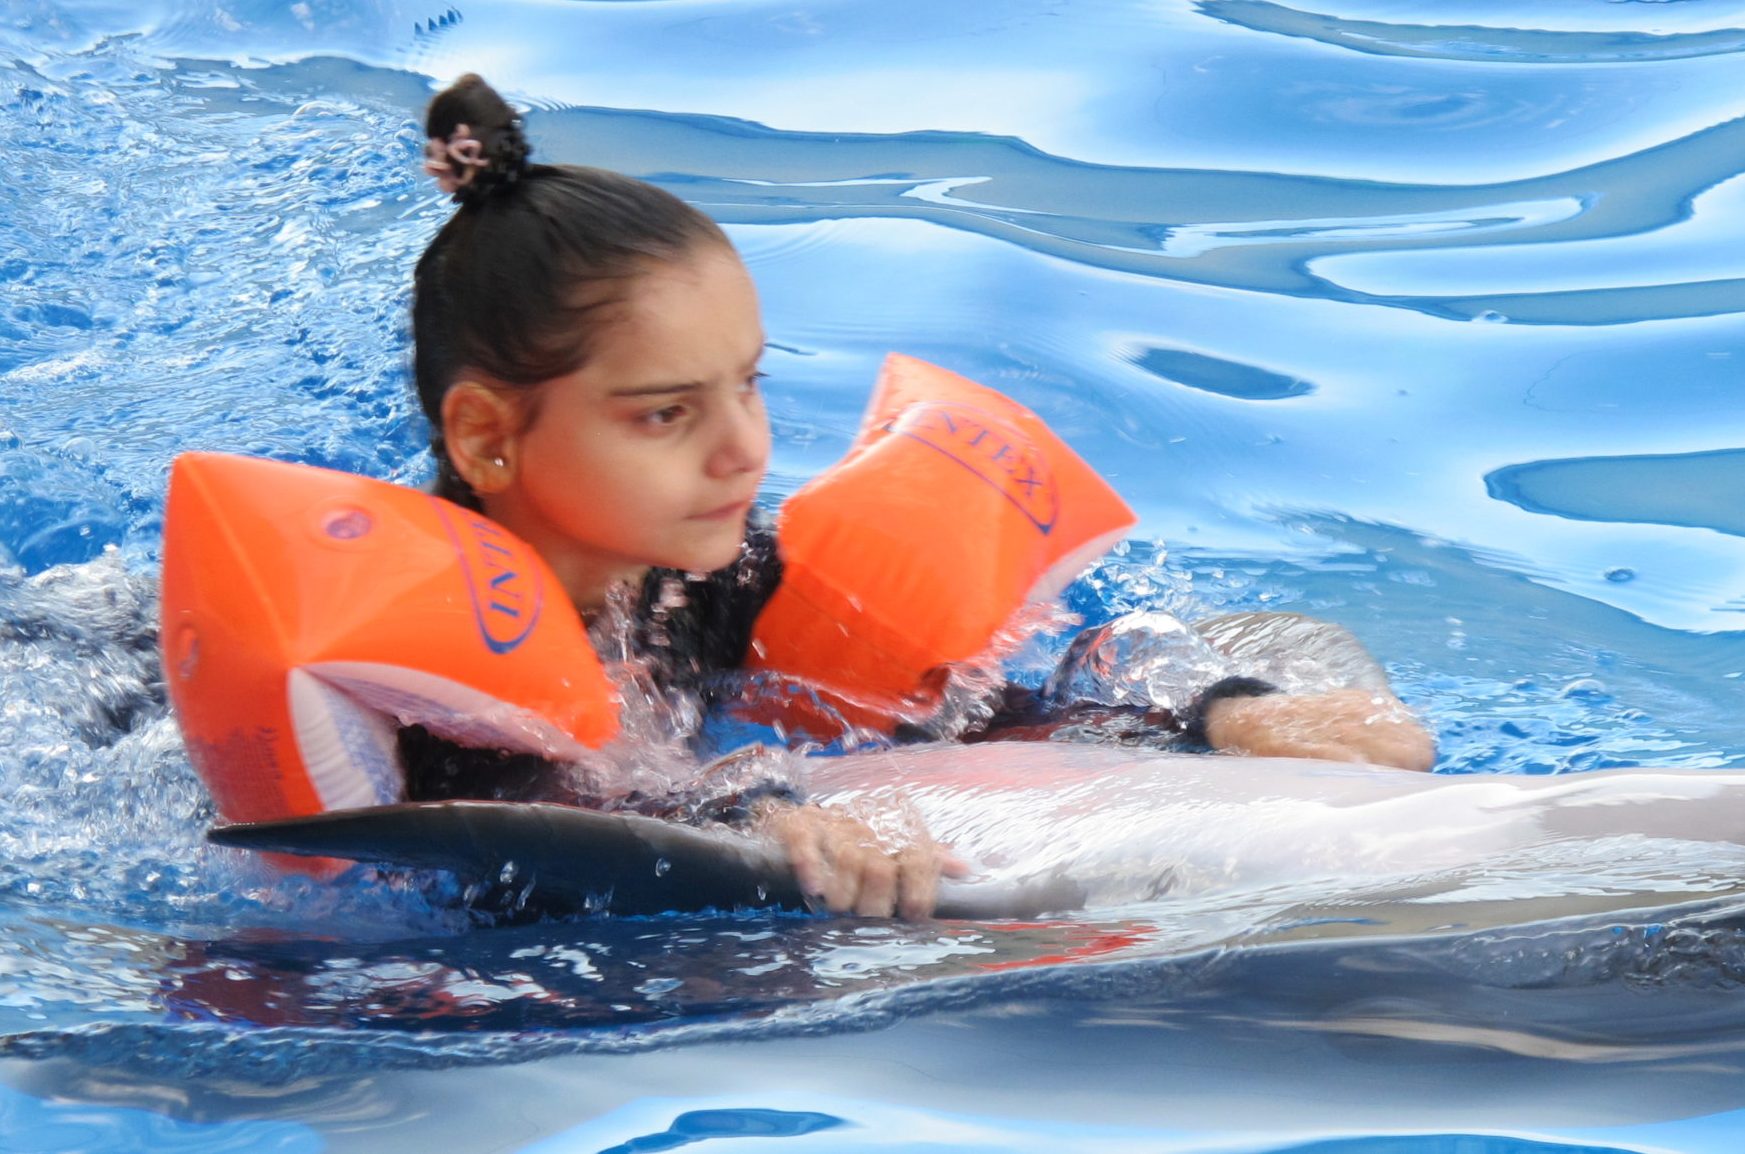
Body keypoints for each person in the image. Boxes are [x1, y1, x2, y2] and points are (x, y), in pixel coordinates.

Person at [402, 74, 1434, 921]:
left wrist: (1219, 710)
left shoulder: (697, 576)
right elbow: (538, 818)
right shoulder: (428, 662)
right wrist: (751, 812)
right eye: (666, 413)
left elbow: (994, 708)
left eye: (749, 385)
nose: (745, 449)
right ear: (488, 437)